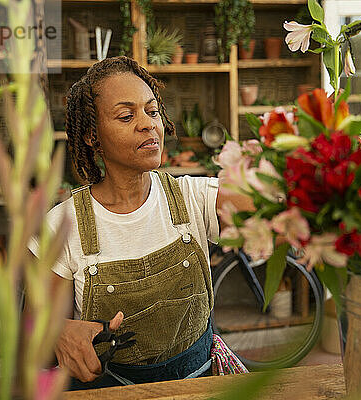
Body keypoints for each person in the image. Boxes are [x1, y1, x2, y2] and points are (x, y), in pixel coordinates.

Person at [28, 56, 251, 389]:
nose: (148, 124)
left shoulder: (195, 198)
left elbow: (269, 205)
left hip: (198, 387)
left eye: (152, 111)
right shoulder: (61, 228)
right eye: (126, 115)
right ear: (92, 135)